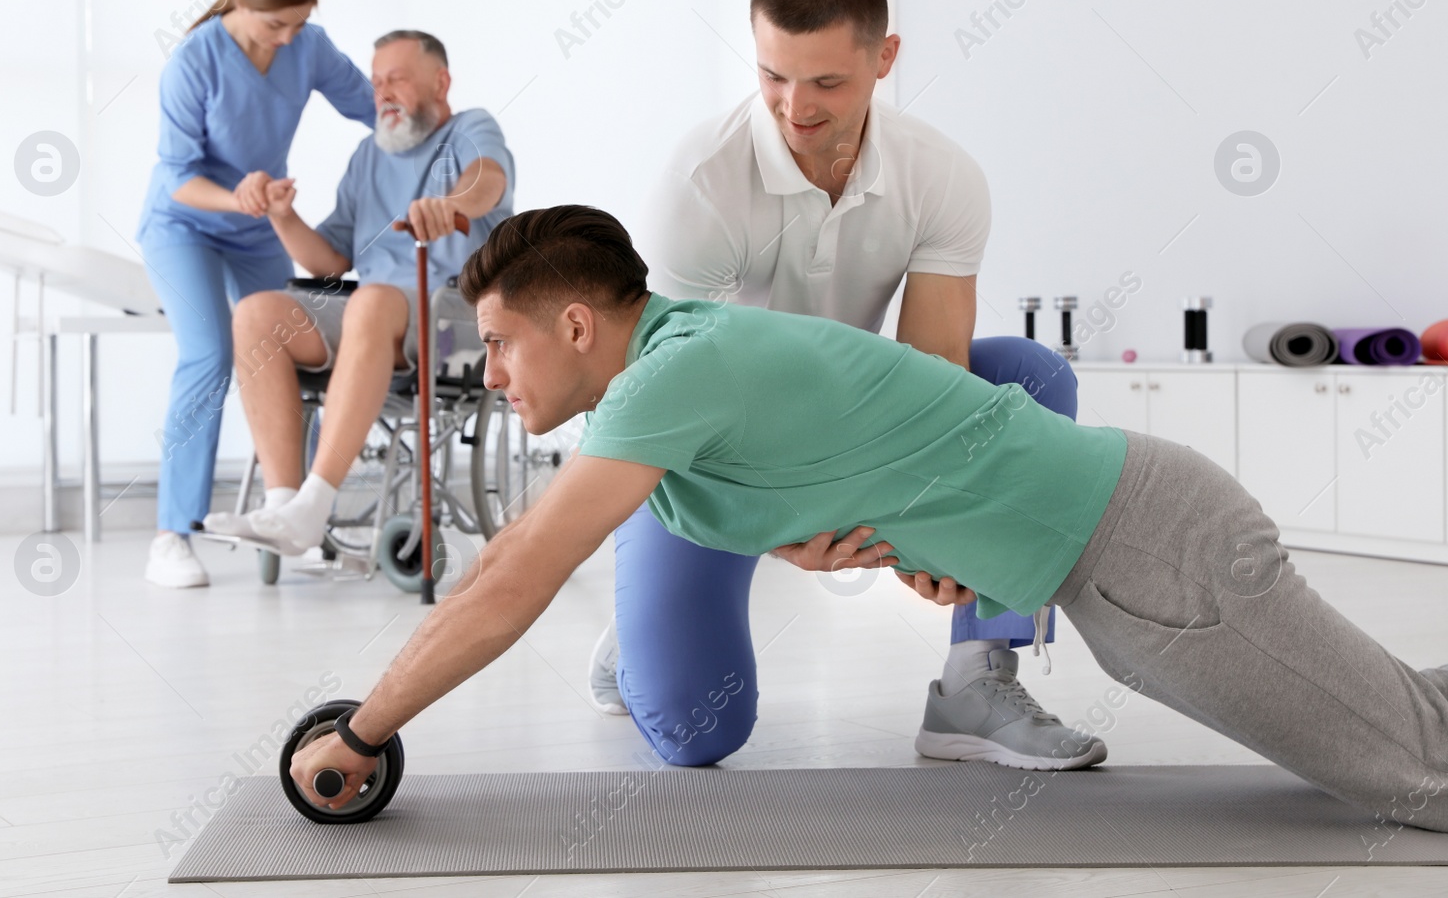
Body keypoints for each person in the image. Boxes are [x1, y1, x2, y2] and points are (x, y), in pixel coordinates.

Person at [289, 205, 1448, 836]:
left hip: (1152, 550)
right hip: (1125, 573)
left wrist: (368, 726)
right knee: (1410, 717)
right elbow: (842, 472)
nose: (487, 370)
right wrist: (899, 542)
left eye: (498, 339)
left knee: (1415, 774)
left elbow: (513, 577)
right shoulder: (688, 357)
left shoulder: (669, 378)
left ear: (581, 325)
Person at [588, 0, 1095, 771]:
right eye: (773, 75)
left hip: (855, 421)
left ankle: (976, 678)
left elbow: (938, 382)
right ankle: (640, 634)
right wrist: (791, 531)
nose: (795, 107)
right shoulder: (698, 187)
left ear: (884, 56)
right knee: (695, 732)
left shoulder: (941, 176)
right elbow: (682, 406)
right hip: (697, 453)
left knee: (1030, 378)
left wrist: (939, 540)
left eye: (827, 81)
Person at [202, 30, 513, 555]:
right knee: (256, 312)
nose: (382, 92)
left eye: (397, 79)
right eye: (376, 83)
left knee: (369, 302)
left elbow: (489, 180)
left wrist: (452, 204)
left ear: (440, 82)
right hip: (373, 317)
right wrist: (282, 215)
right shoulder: (369, 154)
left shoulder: (470, 128)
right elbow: (330, 259)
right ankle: (284, 505)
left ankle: (315, 503)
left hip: (450, 319)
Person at [137, 0, 376, 588]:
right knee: (209, 354)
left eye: (299, 23)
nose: (289, 36)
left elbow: (375, 107)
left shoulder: (307, 45)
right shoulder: (194, 61)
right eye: (277, 25)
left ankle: (296, 521)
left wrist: (444, 138)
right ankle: (172, 534)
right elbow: (179, 177)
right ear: (242, 3)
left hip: (256, 225)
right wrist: (237, 195)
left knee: (291, 350)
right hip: (184, 224)